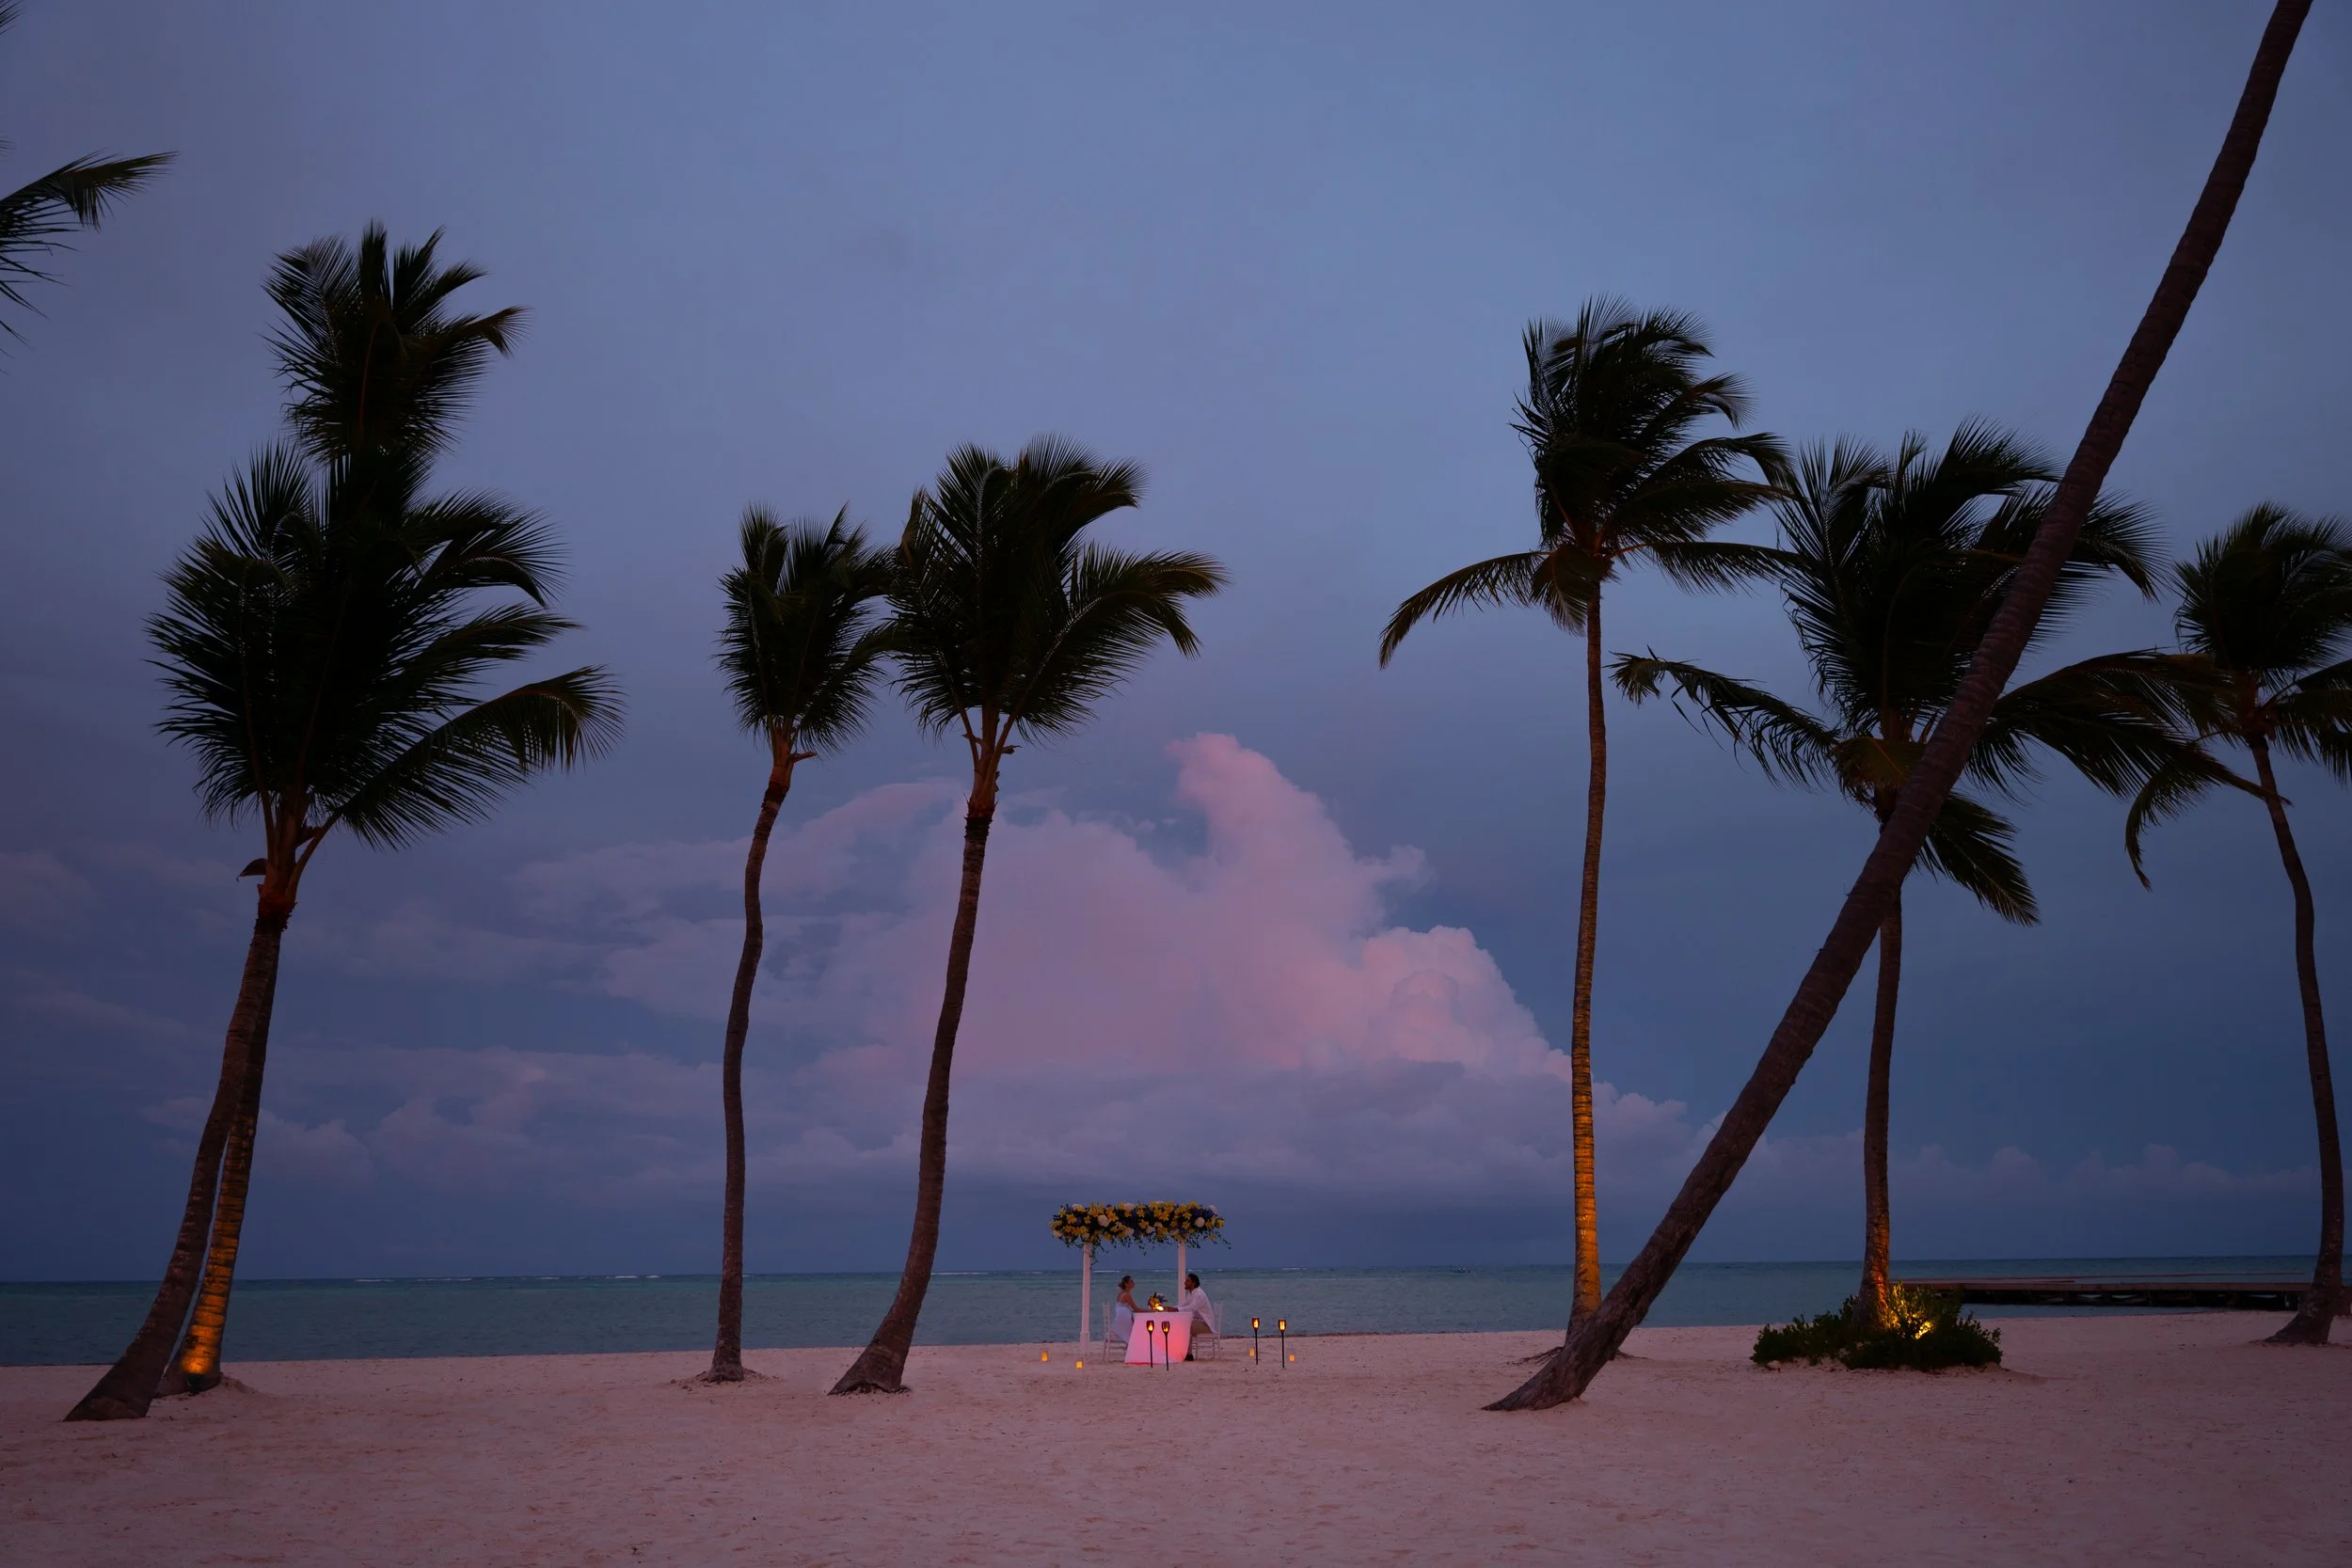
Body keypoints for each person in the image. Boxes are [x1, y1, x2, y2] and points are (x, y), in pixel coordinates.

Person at [1180, 1272, 1216, 1347]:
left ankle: (1188, 1353)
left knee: (1185, 1325)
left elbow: (1191, 1309)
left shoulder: (1199, 1294)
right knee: (1182, 1323)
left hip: (1206, 1326)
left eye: (1187, 1281)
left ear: (1193, 1283)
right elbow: (1183, 1306)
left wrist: (1175, 1310)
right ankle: (1186, 1351)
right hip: (1199, 1322)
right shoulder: (1191, 1294)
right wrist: (1171, 1308)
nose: (1185, 1282)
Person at [1109, 1275, 1137, 1345]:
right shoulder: (1127, 1295)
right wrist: (1150, 1311)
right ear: (1126, 1284)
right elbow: (1136, 1308)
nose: (1134, 1283)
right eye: (1131, 1281)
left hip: (1118, 1320)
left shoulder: (1120, 1294)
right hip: (1123, 1321)